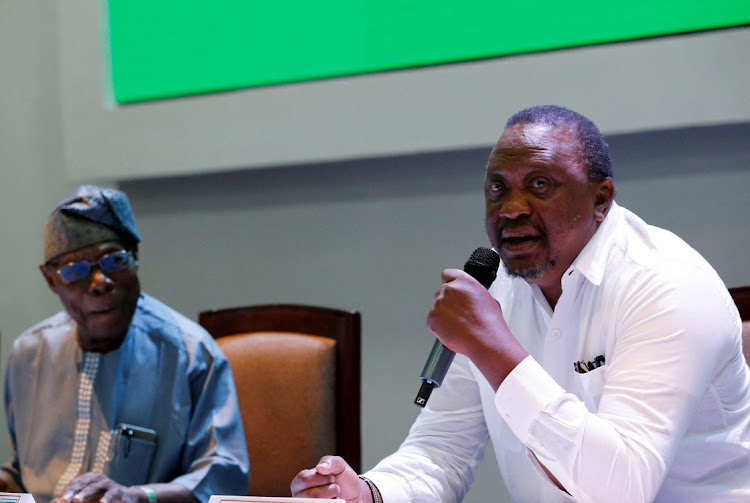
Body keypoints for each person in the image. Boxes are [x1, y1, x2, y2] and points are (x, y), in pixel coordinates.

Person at [291, 105, 750, 502]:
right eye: (497, 188)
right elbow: (440, 452)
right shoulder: (497, 291)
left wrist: (494, 349)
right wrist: (369, 493)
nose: (511, 208)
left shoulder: (667, 285)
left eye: (540, 185)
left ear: (601, 199)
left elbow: (622, 488)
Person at [0, 185, 250, 503]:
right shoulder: (29, 355)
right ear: (51, 280)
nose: (100, 283)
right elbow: (24, 472)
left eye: (113, 261)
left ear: (135, 257)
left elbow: (221, 476)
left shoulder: (191, 353)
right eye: (74, 270)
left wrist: (135, 497)